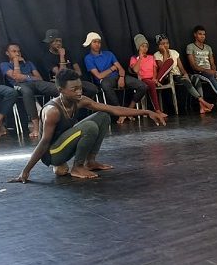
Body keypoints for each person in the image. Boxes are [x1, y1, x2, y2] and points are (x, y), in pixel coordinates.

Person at [10, 68, 167, 183]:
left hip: (65, 142)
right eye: (74, 89)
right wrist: (25, 171)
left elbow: (113, 109)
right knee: (89, 127)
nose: (79, 92)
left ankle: (90, 162)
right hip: (52, 153)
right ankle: (77, 167)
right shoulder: (53, 111)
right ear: (60, 90)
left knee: (103, 116)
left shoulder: (80, 100)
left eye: (80, 88)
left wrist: (147, 112)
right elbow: (44, 143)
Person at [83, 32, 147, 123]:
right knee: (106, 85)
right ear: (90, 43)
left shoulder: (109, 54)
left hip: (118, 76)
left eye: (99, 42)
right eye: (94, 42)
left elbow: (121, 69)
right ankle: (120, 112)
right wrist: (112, 68)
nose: (97, 44)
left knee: (143, 86)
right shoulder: (88, 58)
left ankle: (129, 110)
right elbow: (99, 75)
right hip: (104, 80)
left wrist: (121, 77)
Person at [0, 43, 60, 138]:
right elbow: (17, 78)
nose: (17, 53)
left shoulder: (28, 63)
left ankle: (62, 118)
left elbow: (39, 78)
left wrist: (26, 77)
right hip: (19, 85)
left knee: (58, 88)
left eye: (18, 51)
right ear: (7, 53)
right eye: (14, 51)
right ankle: (36, 127)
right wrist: (16, 62)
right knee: (27, 92)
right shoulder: (4, 65)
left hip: (36, 83)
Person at [154, 34, 213, 115]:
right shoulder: (156, 55)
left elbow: (181, 67)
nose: (166, 45)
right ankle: (203, 102)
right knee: (186, 81)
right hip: (170, 76)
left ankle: (201, 106)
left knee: (196, 79)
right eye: (163, 44)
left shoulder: (174, 52)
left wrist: (185, 74)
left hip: (179, 74)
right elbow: (163, 69)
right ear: (158, 45)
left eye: (167, 43)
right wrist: (164, 53)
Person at [38, 29, 99, 98]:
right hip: (61, 84)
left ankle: (82, 104)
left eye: (59, 41)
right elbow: (62, 75)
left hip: (74, 80)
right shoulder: (47, 57)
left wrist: (69, 76)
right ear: (50, 43)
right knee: (70, 91)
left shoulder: (67, 52)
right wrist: (62, 56)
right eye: (55, 41)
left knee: (92, 89)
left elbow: (79, 72)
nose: (58, 43)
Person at [129, 34, 172, 114]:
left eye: (146, 46)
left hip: (154, 79)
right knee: (151, 83)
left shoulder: (151, 57)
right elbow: (135, 70)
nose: (145, 48)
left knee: (169, 61)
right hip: (143, 80)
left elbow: (154, 70)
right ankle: (158, 110)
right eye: (142, 46)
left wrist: (154, 78)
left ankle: (157, 81)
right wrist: (140, 58)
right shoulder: (134, 58)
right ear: (138, 47)